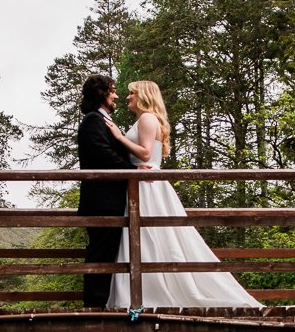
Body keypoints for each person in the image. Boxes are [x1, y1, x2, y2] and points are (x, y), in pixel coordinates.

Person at [103, 80, 263, 310]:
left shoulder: (147, 118)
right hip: (142, 184)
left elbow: (146, 155)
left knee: (150, 236)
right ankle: (146, 291)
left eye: (132, 93)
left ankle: (149, 294)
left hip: (148, 186)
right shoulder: (145, 119)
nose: (127, 97)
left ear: (144, 96)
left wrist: (119, 137)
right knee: (150, 238)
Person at [74, 73, 133, 308]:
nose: (116, 95)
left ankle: (104, 304)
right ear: (102, 93)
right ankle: (94, 306)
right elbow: (102, 155)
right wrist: (132, 171)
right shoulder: (93, 121)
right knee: (100, 253)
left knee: (108, 253)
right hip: (101, 200)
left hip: (110, 199)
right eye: (113, 90)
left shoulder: (102, 119)